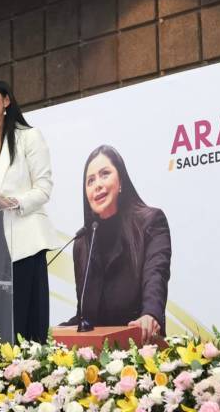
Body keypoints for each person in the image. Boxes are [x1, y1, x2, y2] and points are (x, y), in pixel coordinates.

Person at [0, 77, 61, 345]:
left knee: (19, 321)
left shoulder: (28, 137)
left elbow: (44, 188)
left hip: (22, 242)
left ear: (6, 101)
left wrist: (11, 201)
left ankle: (21, 367)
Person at [61, 145, 172, 343]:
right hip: (96, 354)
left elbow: (156, 276)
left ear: (121, 181)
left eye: (105, 174)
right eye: (90, 180)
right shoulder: (82, 243)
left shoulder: (151, 222)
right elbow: (84, 317)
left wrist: (150, 315)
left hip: (139, 346)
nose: (97, 185)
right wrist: (49, 334)